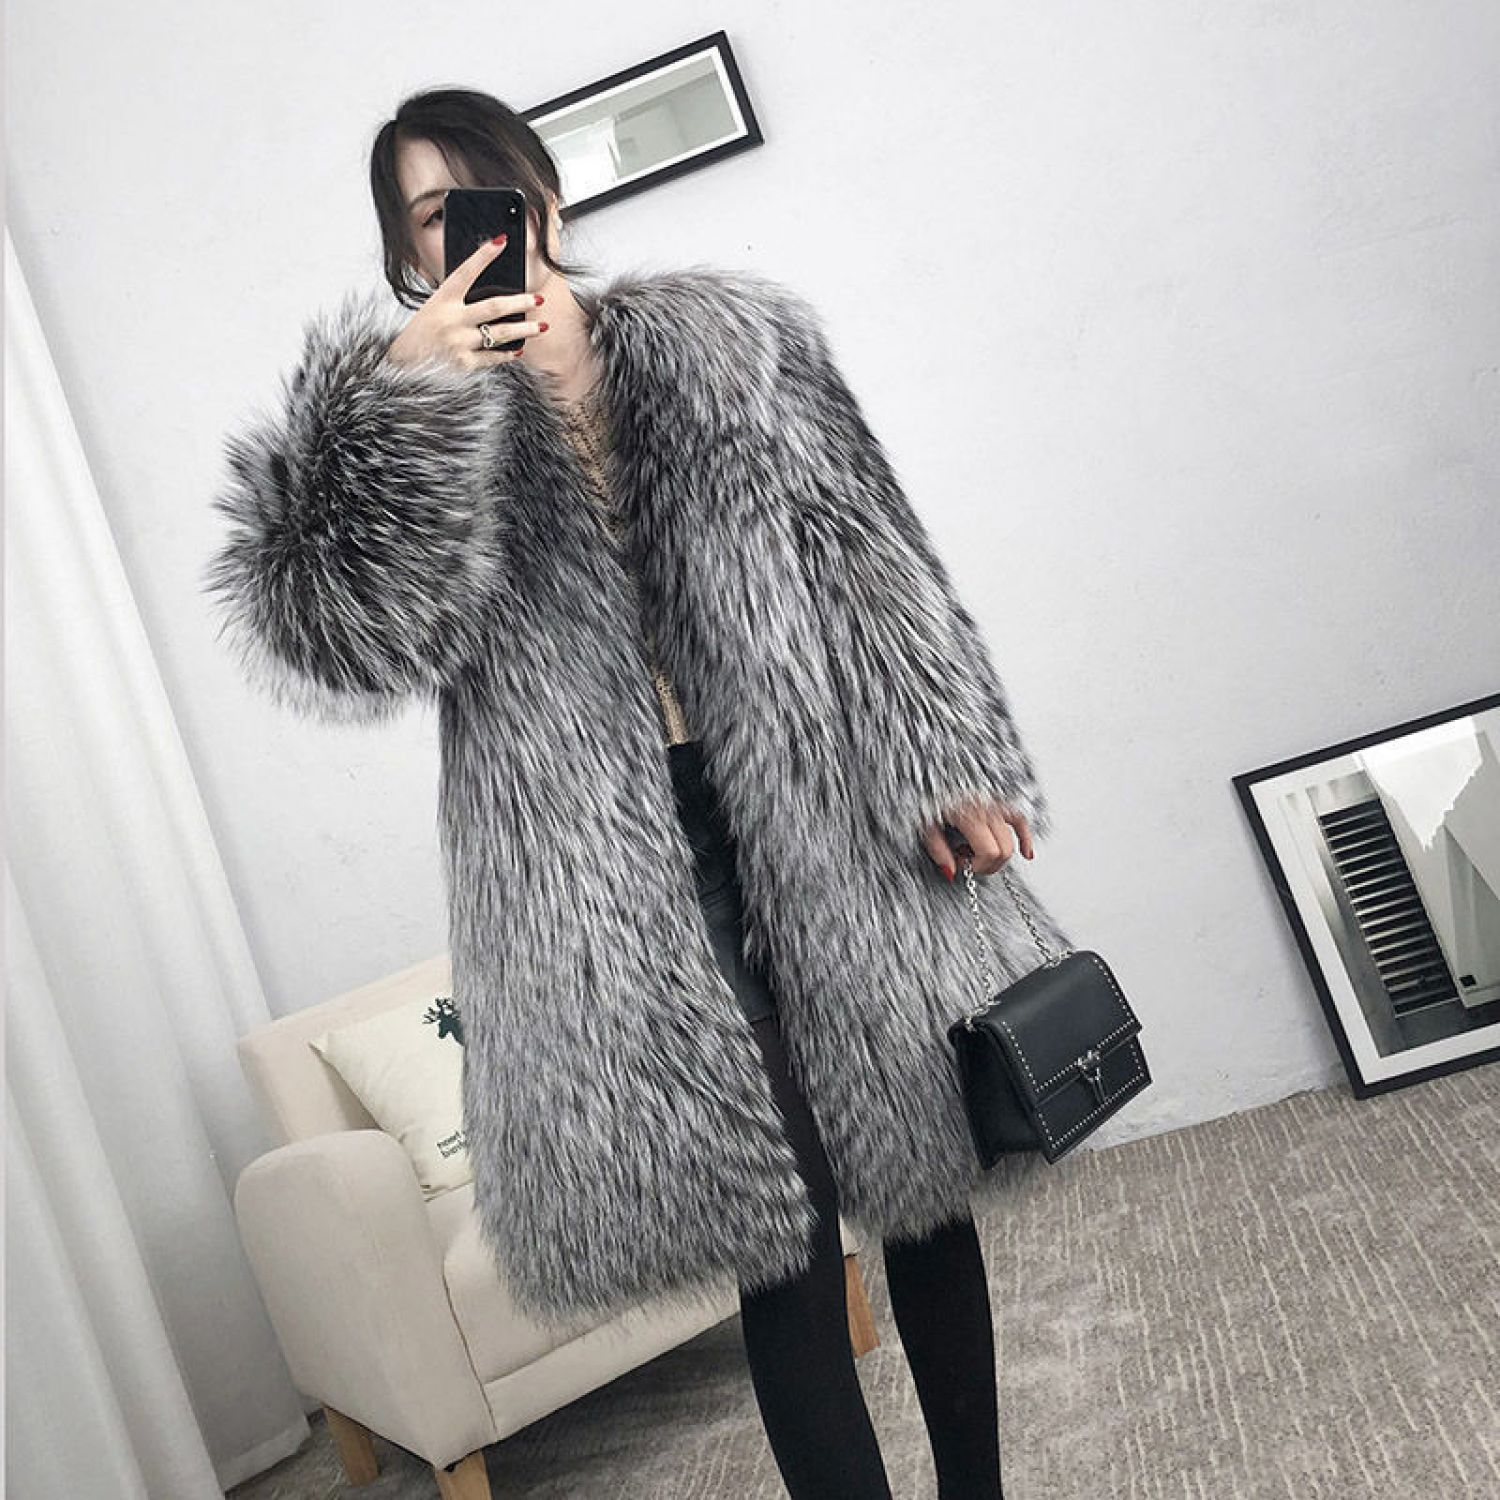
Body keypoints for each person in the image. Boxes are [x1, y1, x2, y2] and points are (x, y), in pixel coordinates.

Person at [207, 85, 1067, 1500]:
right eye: (431, 211)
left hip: (818, 805)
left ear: (543, 193)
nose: (469, 223)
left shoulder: (731, 340)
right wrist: (404, 404)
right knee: (783, 1236)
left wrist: (947, 757)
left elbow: (869, 553)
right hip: (621, 874)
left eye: (487, 187)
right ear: (408, 251)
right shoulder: (420, 421)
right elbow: (342, 643)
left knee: (922, 1188)